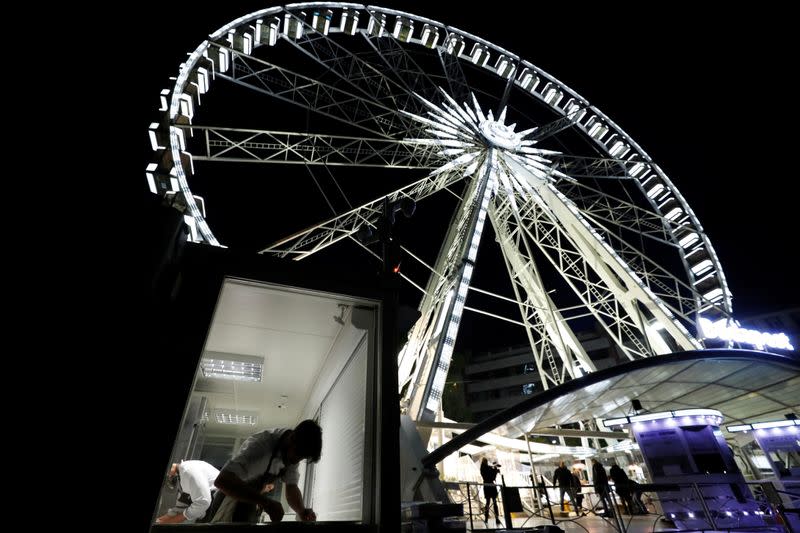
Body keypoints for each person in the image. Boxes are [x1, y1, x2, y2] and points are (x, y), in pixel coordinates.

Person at [212, 419, 322, 523]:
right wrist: (266, 502)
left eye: (302, 458)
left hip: (249, 502)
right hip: (229, 499)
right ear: (292, 439)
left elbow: (291, 487)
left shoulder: (293, 452)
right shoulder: (260, 446)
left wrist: (302, 512)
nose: (296, 461)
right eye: (298, 455)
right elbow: (222, 481)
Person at [156, 460, 220, 524]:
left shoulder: (188, 472)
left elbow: (203, 502)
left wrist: (170, 522)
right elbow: (182, 502)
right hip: (211, 500)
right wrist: (160, 521)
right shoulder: (180, 473)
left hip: (221, 498)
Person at [480, 458, 502, 525]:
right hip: (491, 485)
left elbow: (490, 475)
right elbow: (492, 476)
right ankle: (497, 518)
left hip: (486, 486)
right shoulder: (487, 468)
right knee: (494, 503)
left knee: (488, 503)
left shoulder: (483, 468)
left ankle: (486, 519)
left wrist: (494, 468)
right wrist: (495, 469)